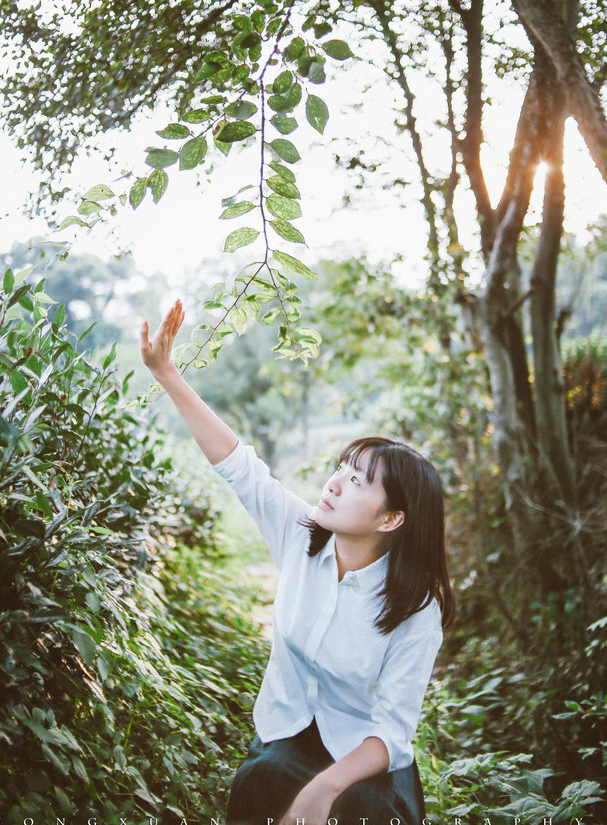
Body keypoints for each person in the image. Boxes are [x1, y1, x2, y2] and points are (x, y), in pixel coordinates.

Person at [140, 299, 456, 825]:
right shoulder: (301, 534)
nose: (334, 483)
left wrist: (324, 788)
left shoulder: (415, 610)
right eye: (340, 469)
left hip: (361, 754)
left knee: (360, 810)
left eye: (358, 481)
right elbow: (239, 466)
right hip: (287, 730)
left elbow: (392, 730)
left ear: (392, 520)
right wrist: (165, 372)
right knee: (261, 785)